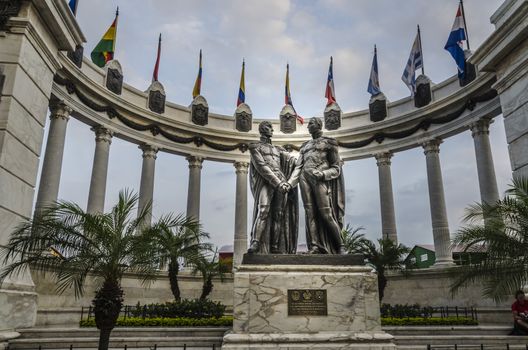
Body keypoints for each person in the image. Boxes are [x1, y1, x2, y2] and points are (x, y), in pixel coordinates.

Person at [287, 117, 345, 254]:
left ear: (319, 125)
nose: (308, 126)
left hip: (319, 179)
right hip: (304, 179)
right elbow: (298, 167)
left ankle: (341, 246)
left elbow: (336, 168)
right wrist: (290, 184)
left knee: (326, 213)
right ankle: (314, 246)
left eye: (311, 123)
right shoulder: (304, 146)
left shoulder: (330, 143)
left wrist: (323, 174)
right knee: (310, 214)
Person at [247, 121, 298, 254]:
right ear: (262, 129)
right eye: (269, 127)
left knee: (279, 215)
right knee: (263, 210)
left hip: (281, 181)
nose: (272, 130)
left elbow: (292, 162)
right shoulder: (255, 147)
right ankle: (255, 243)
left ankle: (275, 246)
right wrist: (278, 183)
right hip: (266, 182)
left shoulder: (278, 149)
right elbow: (261, 166)